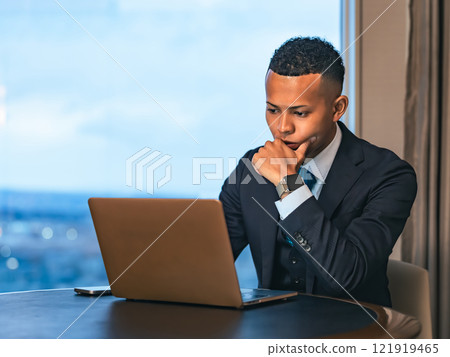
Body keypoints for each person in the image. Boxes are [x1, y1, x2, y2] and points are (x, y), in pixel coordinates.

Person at [219, 37, 417, 307]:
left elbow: (346, 277)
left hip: (353, 333)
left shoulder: (389, 175)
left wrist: (288, 184)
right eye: (272, 110)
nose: (282, 127)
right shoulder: (251, 167)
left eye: (299, 113)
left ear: (338, 108)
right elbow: (208, 263)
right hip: (271, 332)